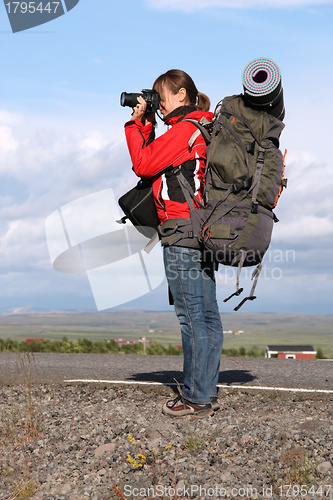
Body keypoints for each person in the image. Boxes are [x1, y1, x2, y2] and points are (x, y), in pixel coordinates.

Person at [124, 69, 223, 418]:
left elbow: (144, 163)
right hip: (204, 231)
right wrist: (151, 122)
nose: (157, 100)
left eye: (160, 94)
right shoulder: (206, 126)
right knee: (208, 316)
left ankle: (195, 396)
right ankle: (205, 391)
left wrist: (137, 125)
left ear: (182, 95)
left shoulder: (185, 129)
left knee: (191, 317)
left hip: (181, 231)